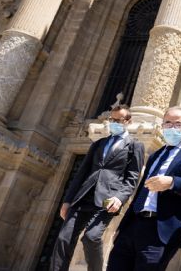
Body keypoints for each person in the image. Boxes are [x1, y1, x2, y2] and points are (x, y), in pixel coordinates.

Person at [106, 106, 181, 270]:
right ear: (162, 126)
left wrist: (172, 182)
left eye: (178, 124)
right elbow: (141, 191)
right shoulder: (156, 155)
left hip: (161, 230)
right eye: (168, 123)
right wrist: (123, 227)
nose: (172, 127)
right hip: (133, 226)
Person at [51, 105, 144, 271]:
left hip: (108, 200)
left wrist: (120, 198)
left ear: (128, 122)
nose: (114, 123)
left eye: (119, 120)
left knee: (91, 237)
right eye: (112, 119)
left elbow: (132, 178)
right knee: (64, 239)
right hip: (84, 196)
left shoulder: (134, 145)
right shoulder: (99, 143)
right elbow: (82, 173)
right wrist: (67, 201)